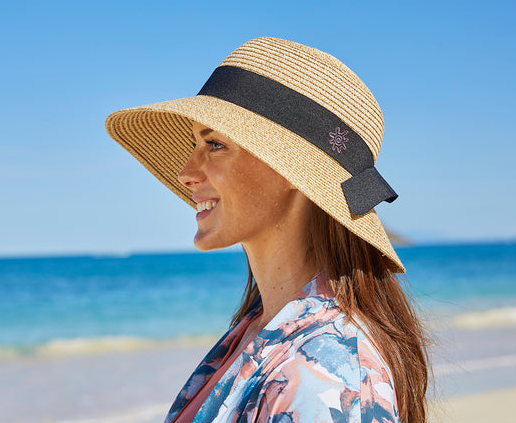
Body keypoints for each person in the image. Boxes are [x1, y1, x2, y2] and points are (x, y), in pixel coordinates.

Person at [105, 37, 429, 423]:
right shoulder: (263, 330)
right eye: (195, 144)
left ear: (291, 169)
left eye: (214, 144)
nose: (186, 174)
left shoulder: (320, 379)